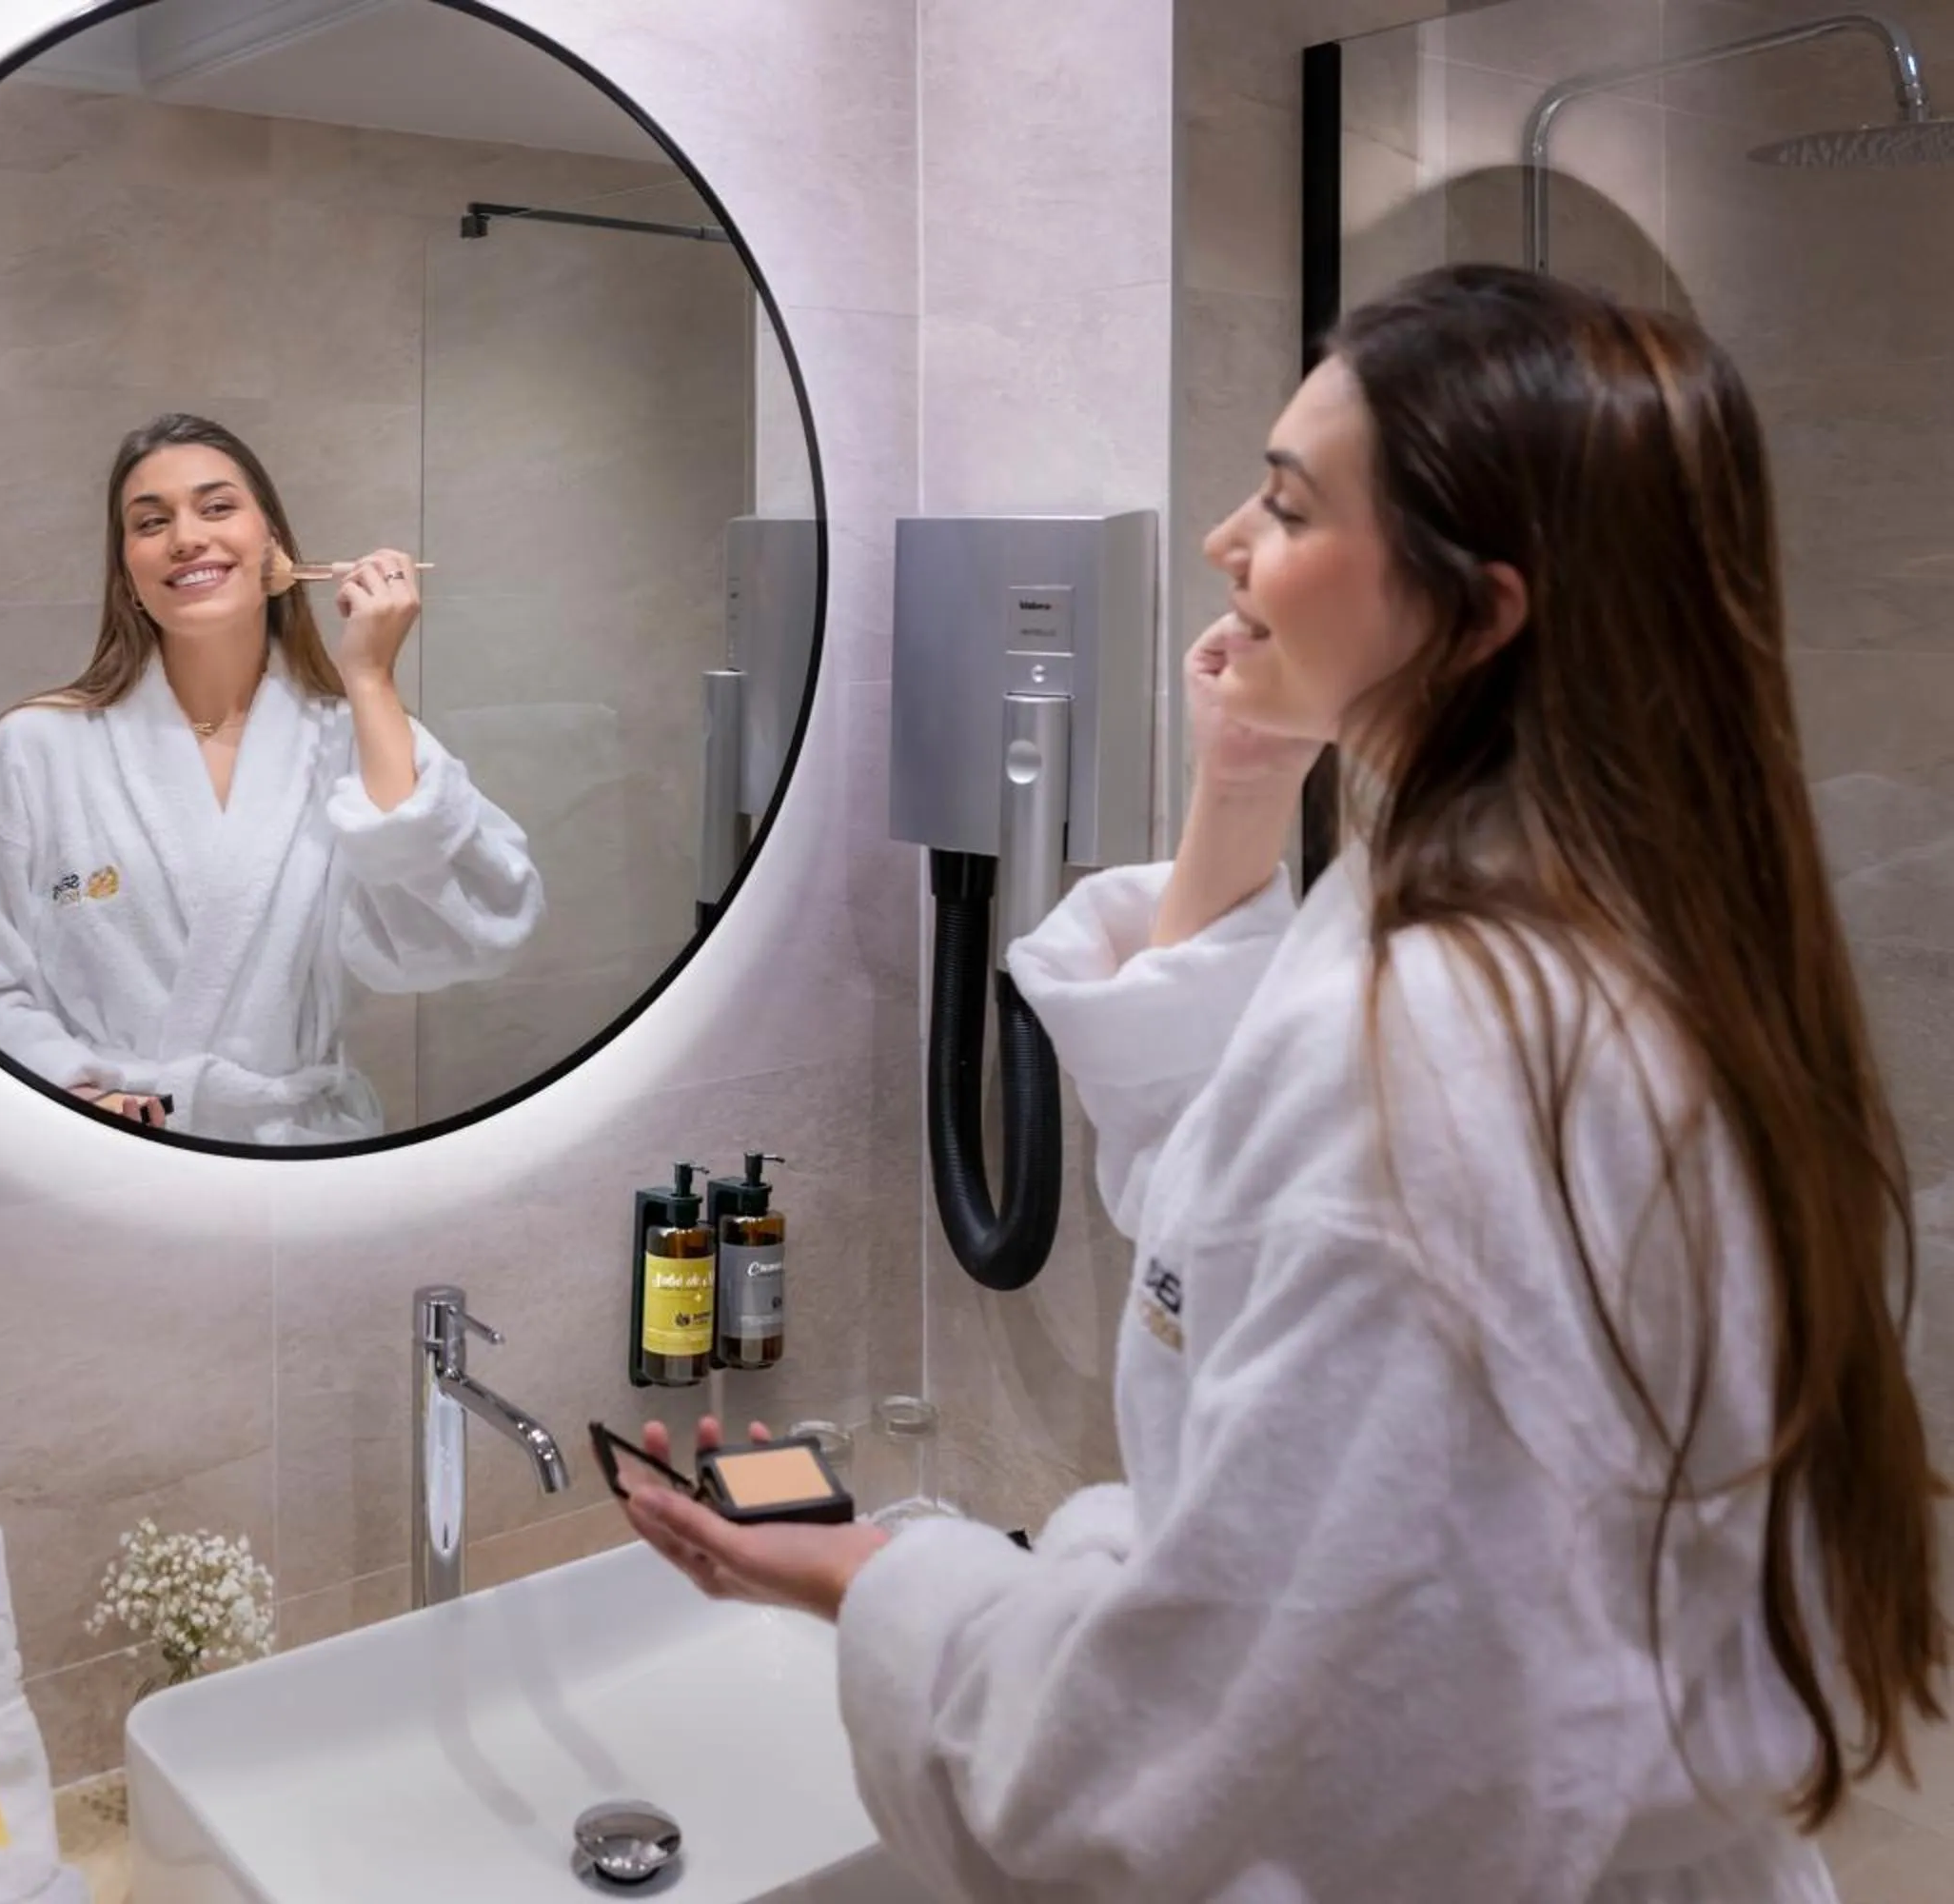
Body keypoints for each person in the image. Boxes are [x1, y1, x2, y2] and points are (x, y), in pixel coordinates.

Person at [617, 265, 1946, 1898]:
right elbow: (1214, 1223)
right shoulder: (1557, 921)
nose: (1224, 541)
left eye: (1291, 507)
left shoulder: (1447, 1064)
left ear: (1481, 611)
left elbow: (1172, 1785)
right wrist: (1243, 779)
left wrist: (887, 1582)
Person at [0, 413, 543, 1144]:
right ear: (129, 573)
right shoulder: (34, 750)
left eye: (217, 508)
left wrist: (369, 676)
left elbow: (471, 931)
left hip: (303, 1154)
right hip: (100, 1147)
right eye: (151, 523)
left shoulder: (353, 737)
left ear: (272, 543)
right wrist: (83, 1098)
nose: (185, 536)